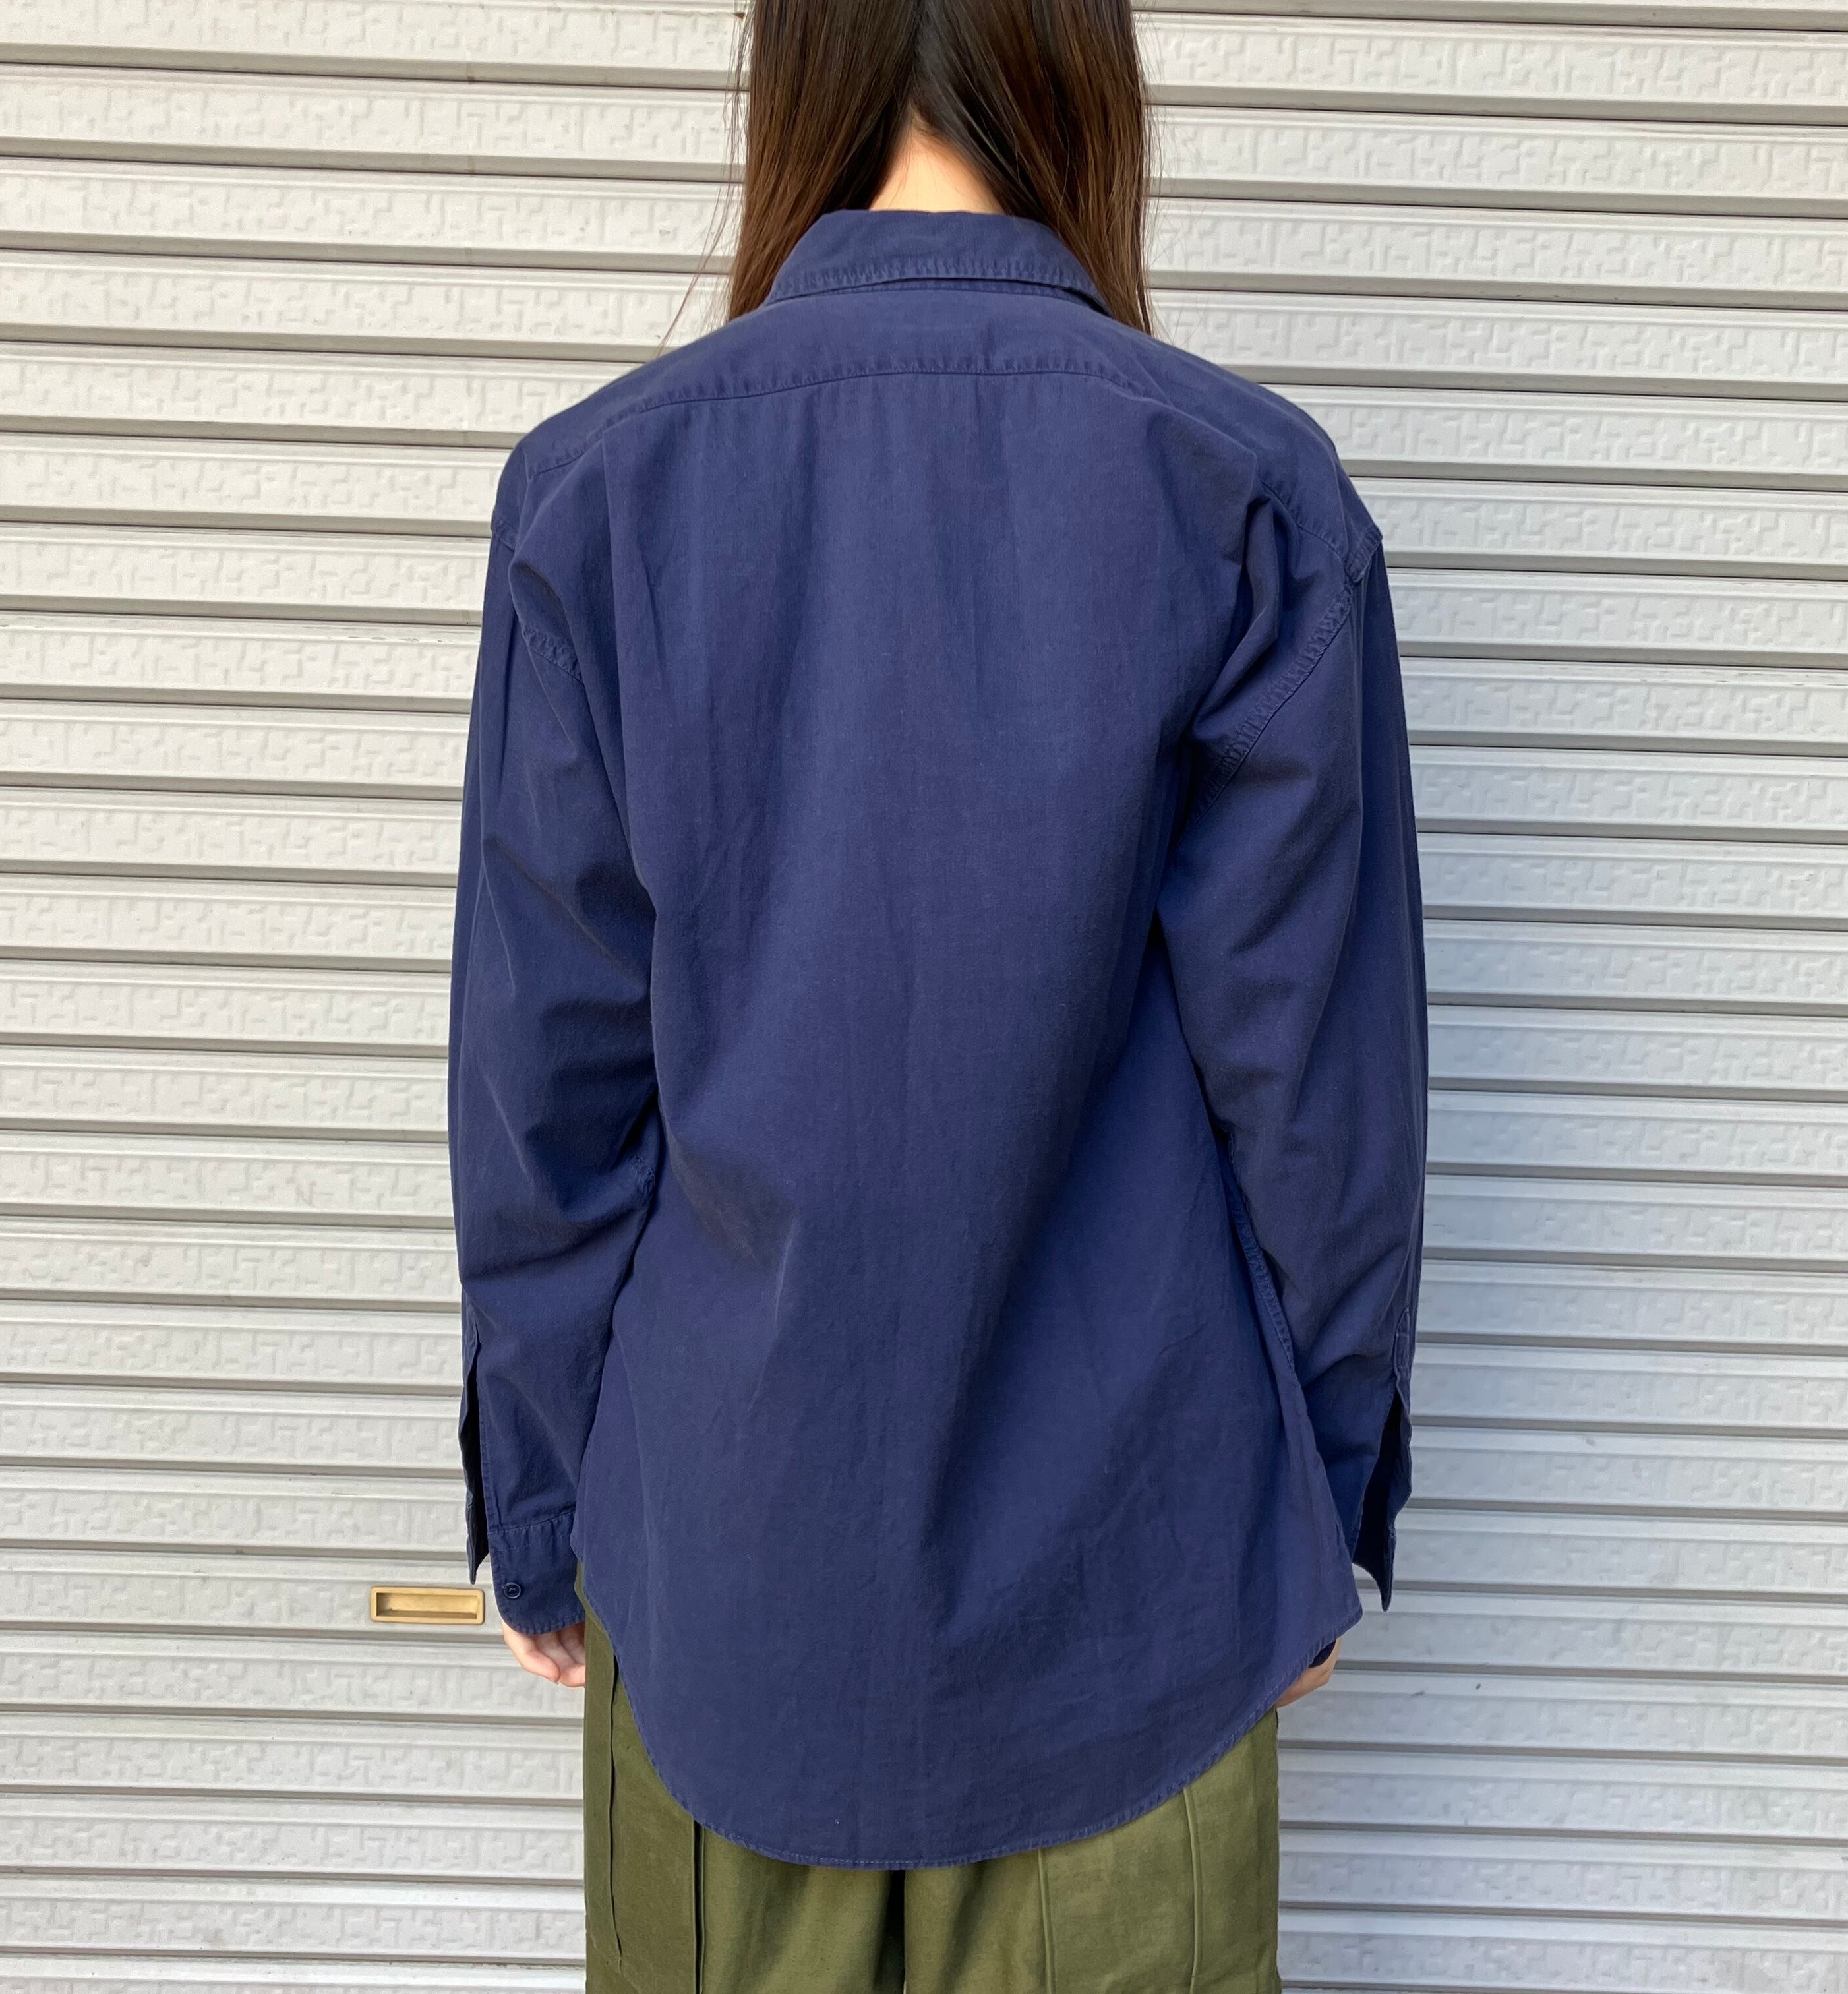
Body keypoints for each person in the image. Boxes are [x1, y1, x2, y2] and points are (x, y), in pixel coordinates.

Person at [447, 1, 1427, 1985]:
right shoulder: (1242, 488)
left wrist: (540, 1498)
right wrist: (1319, 1498)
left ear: (794, 77)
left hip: (732, 1580)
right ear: (1079, 74)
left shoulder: (601, 492)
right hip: (1138, 1582)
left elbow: (544, 1096)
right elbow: (1318, 1094)